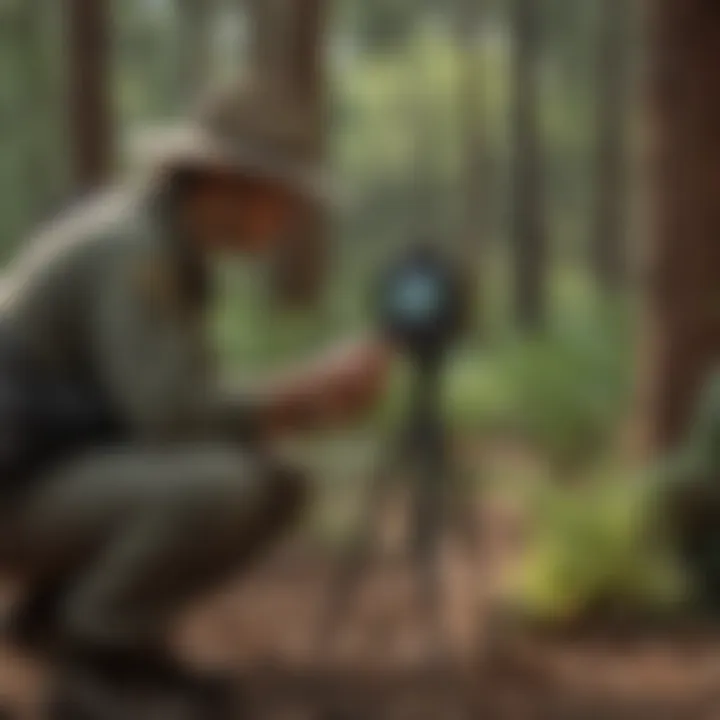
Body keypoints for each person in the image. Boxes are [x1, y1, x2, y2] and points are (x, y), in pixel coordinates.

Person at [0, 78, 392, 716]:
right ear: (225, 183)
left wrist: (307, 403)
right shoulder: (137, 254)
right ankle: (98, 659)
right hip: (17, 487)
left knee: (276, 482)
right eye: (281, 197)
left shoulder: (165, 249)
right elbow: (171, 418)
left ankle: (80, 627)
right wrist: (304, 391)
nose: (287, 219)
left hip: (40, 474)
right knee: (221, 485)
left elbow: (172, 406)